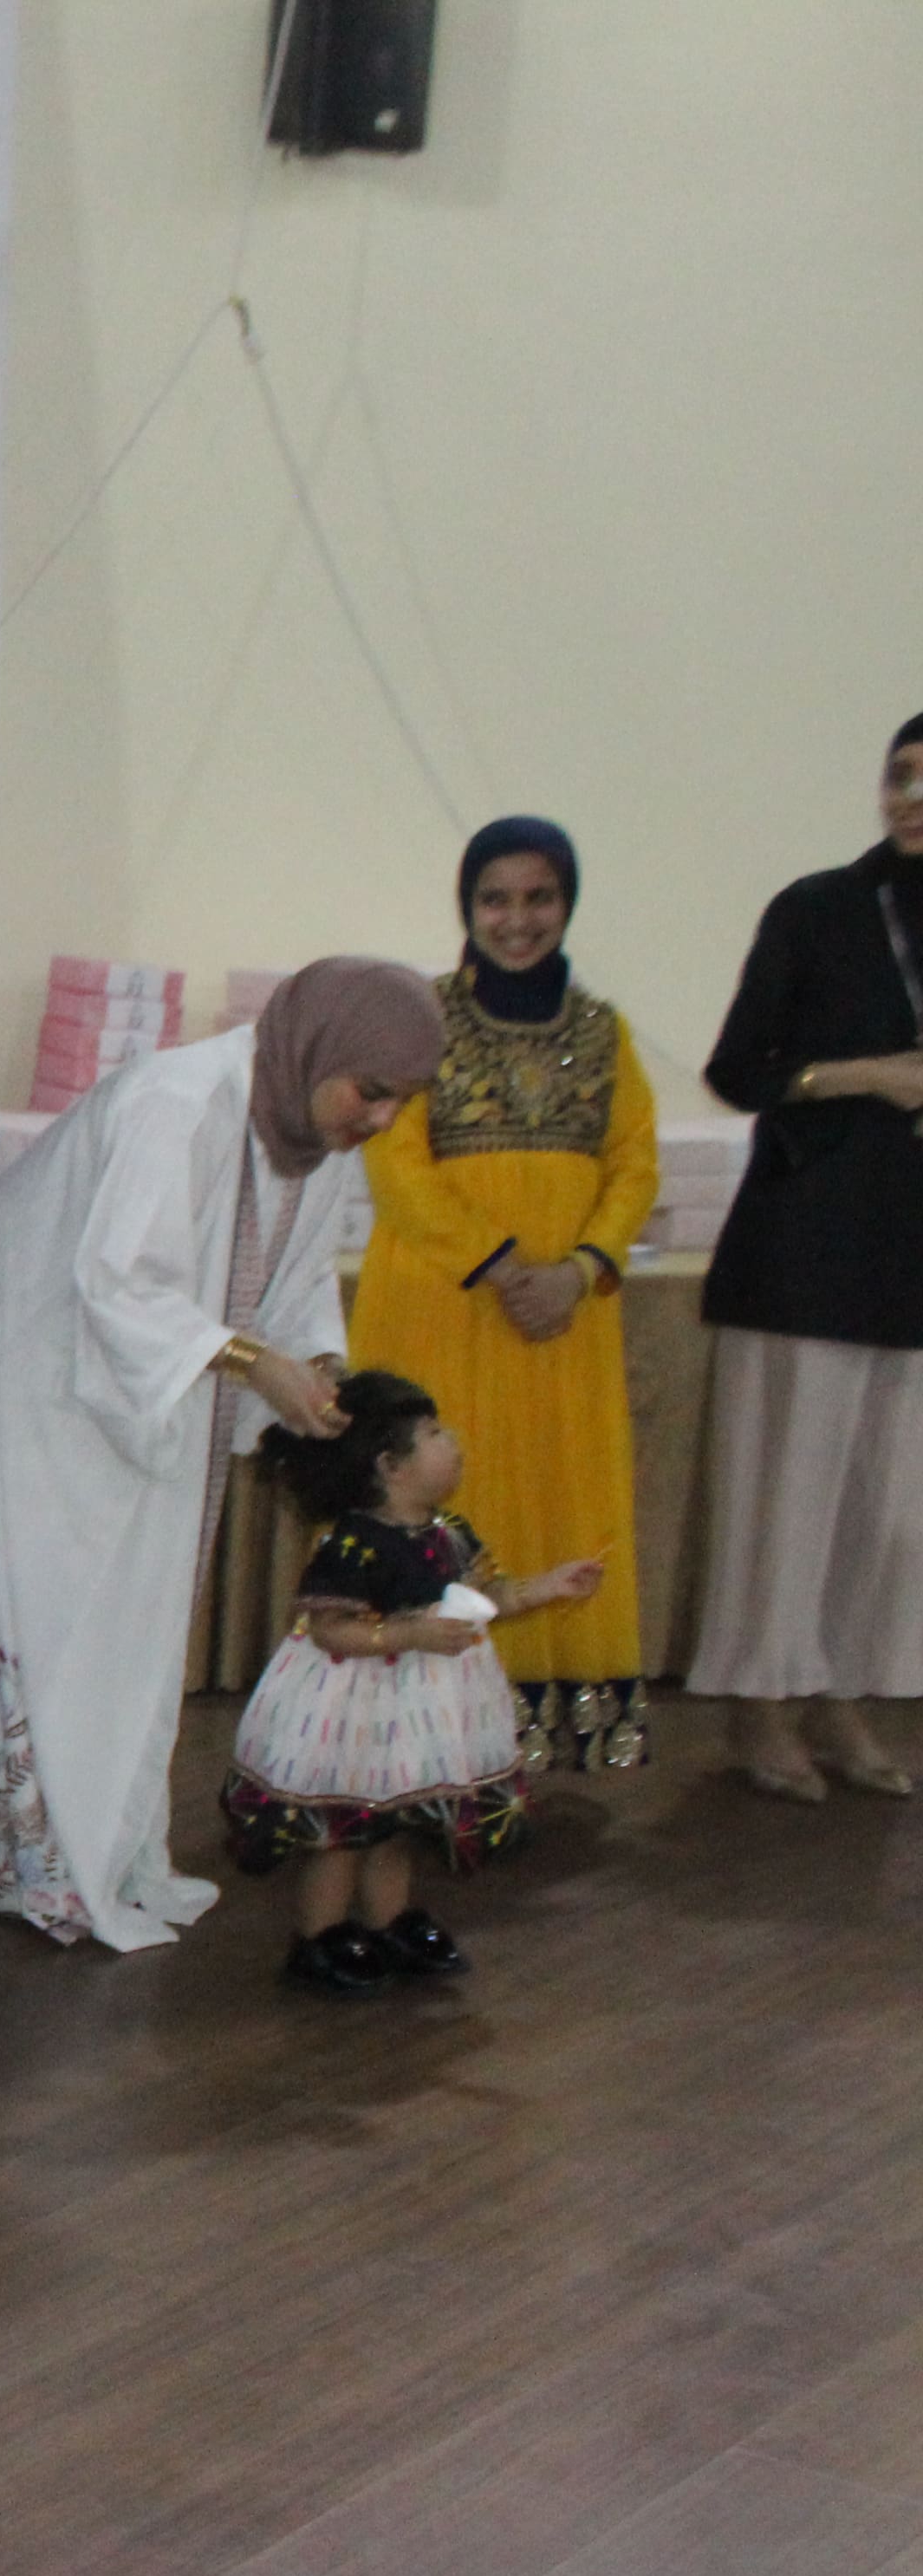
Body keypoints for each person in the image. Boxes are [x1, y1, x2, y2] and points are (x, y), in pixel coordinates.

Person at [0, 959, 448, 1949]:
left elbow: (297, 1283)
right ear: (318, 1050)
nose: (381, 1118)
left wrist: (315, 1365)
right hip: (46, 1387)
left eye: (399, 1100)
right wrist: (255, 1363)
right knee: (59, 1626)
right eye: (372, 1091)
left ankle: (93, 1854)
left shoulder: (311, 1138)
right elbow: (120, 1282)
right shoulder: (180, 1102)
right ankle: (26, 1855)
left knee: (130, 1633)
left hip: (158, 1397)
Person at [342, 818, 659, 1772]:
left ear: (567, 903)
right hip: (442, 1304)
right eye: (495, 899)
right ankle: (415, 1751)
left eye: (539, 898)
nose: (517, 920)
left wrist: (579, 1270)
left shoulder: (604, 1031)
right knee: (439, 1492)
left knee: (557, 1497)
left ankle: (525, 1738)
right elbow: (396, 1164)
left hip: (563, 1320)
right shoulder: (419, 1020)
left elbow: (634, 1165)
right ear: (466, 906)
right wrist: (507, 1268)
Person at [684, 713, 923, 1800]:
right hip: (806, 1249)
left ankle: (841, 1693)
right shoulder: (819, 908)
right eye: (900, 776)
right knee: (787, 1494)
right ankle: (761, 1704)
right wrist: (869, 1074)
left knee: (888, 1508)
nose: (910, 797)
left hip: (908, 1258)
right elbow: (738, 1070)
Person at [220, 1371, 604, 1990]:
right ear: (391, 1466)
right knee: (344, 1826)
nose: (453, 1442)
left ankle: (387, 1922)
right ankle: (320, 1936)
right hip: (357, 1708)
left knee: (396, 1822)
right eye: (433, 1433)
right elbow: (329, 1630)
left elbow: (487, 1597)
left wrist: (548, 1585)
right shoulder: (355, 1543)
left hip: (423, 1709)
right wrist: (407, 1634)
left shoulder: (451, 1533)